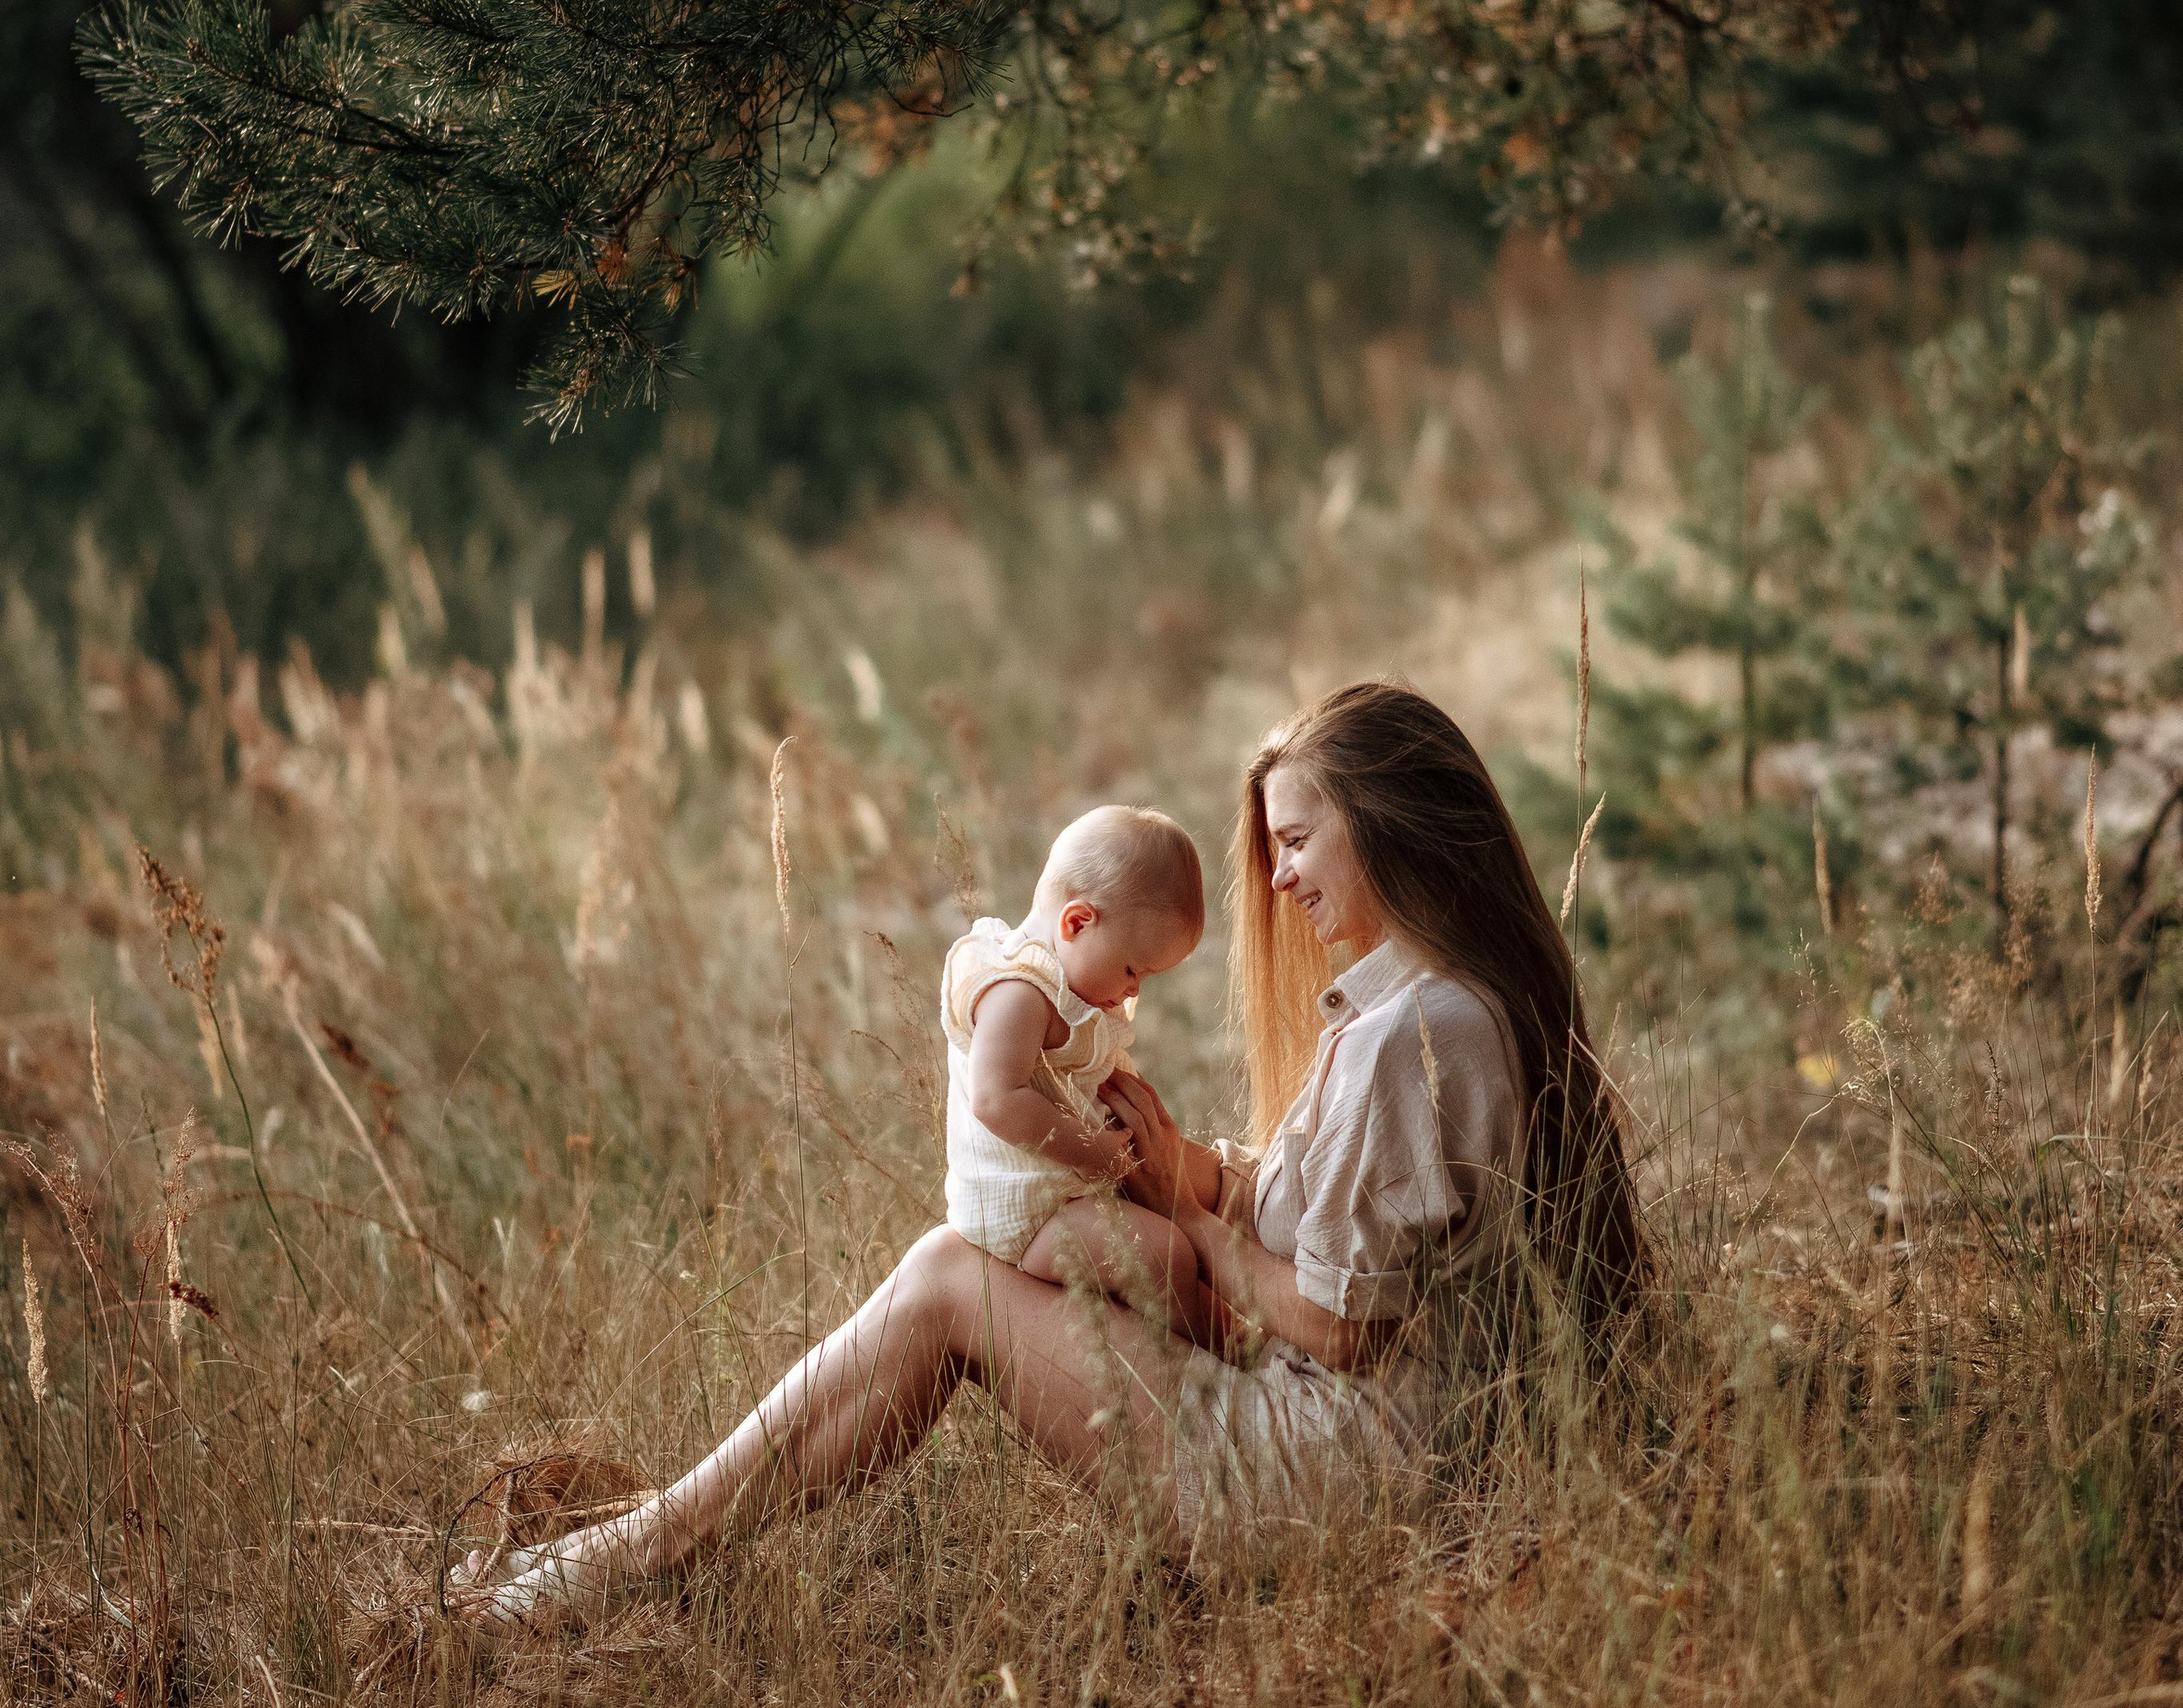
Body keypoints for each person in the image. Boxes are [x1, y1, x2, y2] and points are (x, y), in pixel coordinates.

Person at [449, 681, 1644, 1623]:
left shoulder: (1410, 1034)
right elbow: (1364, 1233)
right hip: (1397, 1452)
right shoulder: (1462, 999)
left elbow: (1344, 1327)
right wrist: (1185, 1166)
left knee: (944, 1282)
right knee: (959, 1269)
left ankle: (634, 1555)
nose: (1277, 879)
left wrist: (1216, 1240)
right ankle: (642, 1541)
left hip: (1336, 1478)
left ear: (1383, 823)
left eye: (1295, 842)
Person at [941, 802, 1207, 1337]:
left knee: (1182, 1216)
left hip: (1061, 1190)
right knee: (1166, 1256)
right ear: (1078, 922)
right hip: (1025, 1214)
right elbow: (996, 1099)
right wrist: (1095, 1151)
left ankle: (1193, 1333)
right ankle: (1207, 1366)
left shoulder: (1060, 986)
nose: (1134, 990)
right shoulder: (1017, 993)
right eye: (1133, 970)